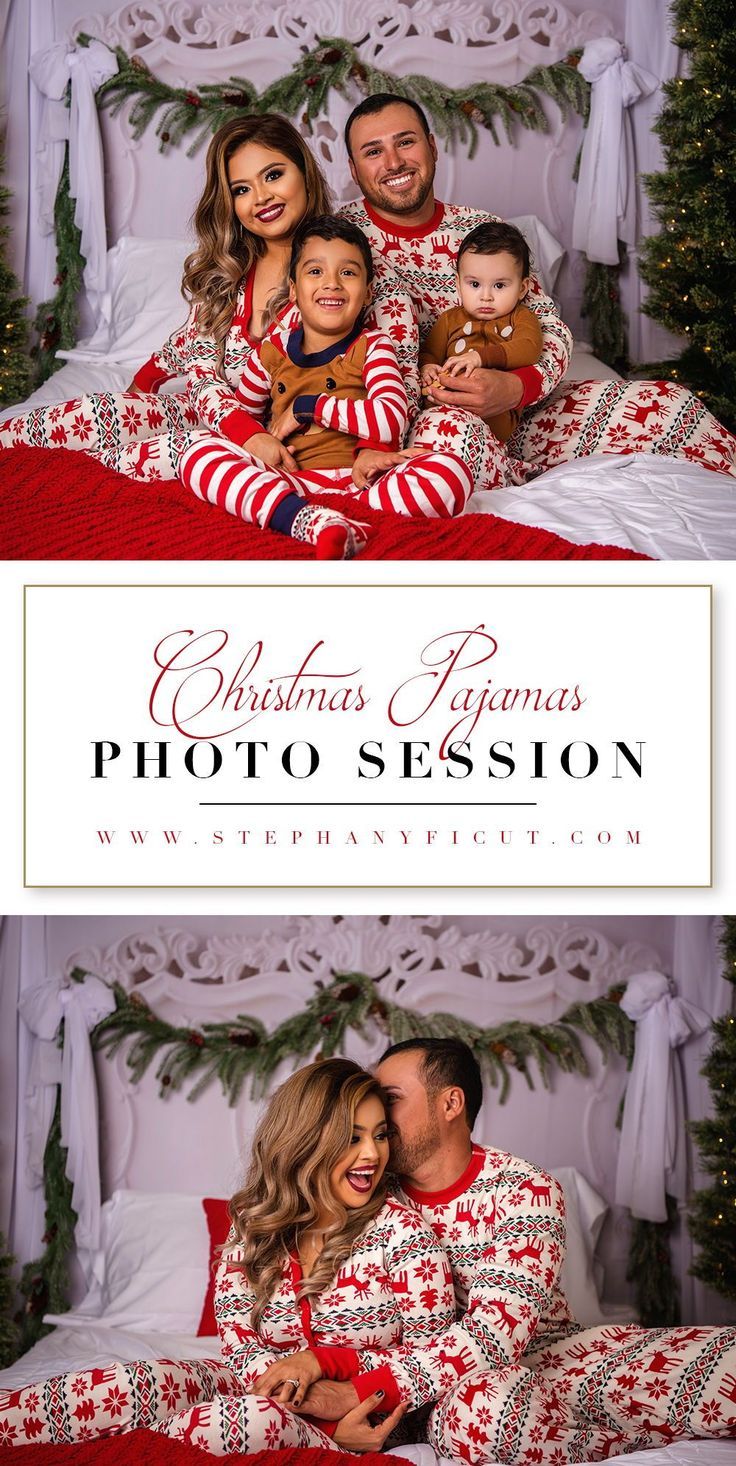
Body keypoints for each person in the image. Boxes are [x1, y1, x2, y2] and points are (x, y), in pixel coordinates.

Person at [289, 1038, 736, 1463]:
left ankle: (590, 1423)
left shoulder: (524, 1190)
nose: (378, 1117)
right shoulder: (364, 1188)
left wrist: (360, 1391)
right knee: (483, 1413)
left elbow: (494, 1336)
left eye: (391, 1098)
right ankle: (613, 1439)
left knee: (722, 1363)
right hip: (442, 1392)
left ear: (450, 1103)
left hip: (551, 1358)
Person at [0, 1058, 456, 1453]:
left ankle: (122, 1452)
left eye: (379, 1136)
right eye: (353, 1137)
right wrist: (286, 1392)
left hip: (364, 1420)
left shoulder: (404, 1233)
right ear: (306, 1141)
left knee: (245, 1421)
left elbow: (429, 1358)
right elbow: (238, 1339)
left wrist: (327, 1388)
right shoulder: (256, 1223)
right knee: (136, 1384)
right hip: (253, 1390)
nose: (372, 1154)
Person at [339, 93, 736, 486]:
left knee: (668, 404)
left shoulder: (480, 230)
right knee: (453, 436)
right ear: (354, 171)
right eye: (373, 152)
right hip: (423, 425)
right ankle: (521, 482)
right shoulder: (337, 241)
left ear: (432, 147)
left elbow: (550, 328)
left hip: (521, 413)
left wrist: (515, 387)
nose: (393, 163)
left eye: (405, 142)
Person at [0, 114, 332, 482]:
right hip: (216, 417)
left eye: (273, 175)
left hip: (272, 441)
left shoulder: (338, 270)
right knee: (90, 416)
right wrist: (139, 391)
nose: (261, 197)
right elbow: (195, 361)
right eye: (241, 189)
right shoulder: (231, 271)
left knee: (115, 464)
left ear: (304, 171)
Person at [178, 215, 474, 557]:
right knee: (198, 454)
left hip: (364, 484)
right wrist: (259, 446)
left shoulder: (373, 346)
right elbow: (244, 425)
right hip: (290, 482)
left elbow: (390, 419)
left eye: (347, 273)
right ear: (293, 290)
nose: (331, 283)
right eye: (315, 271)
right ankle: (307, 521)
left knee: (450, 471)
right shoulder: (270, 353)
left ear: (367, 294)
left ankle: (338, 522)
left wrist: (308, 407)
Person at [420, 220, 542, 443]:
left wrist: (479, 357)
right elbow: (430, 352)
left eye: (499, 285)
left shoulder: (521, 317)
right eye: (474, 284)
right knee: (431, 412)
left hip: (497, 415)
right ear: (458, 283)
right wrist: (428, 366)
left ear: (522, 288)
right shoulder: (450, 319)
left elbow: (530, 348)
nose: (486, 296)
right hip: (445, 409)